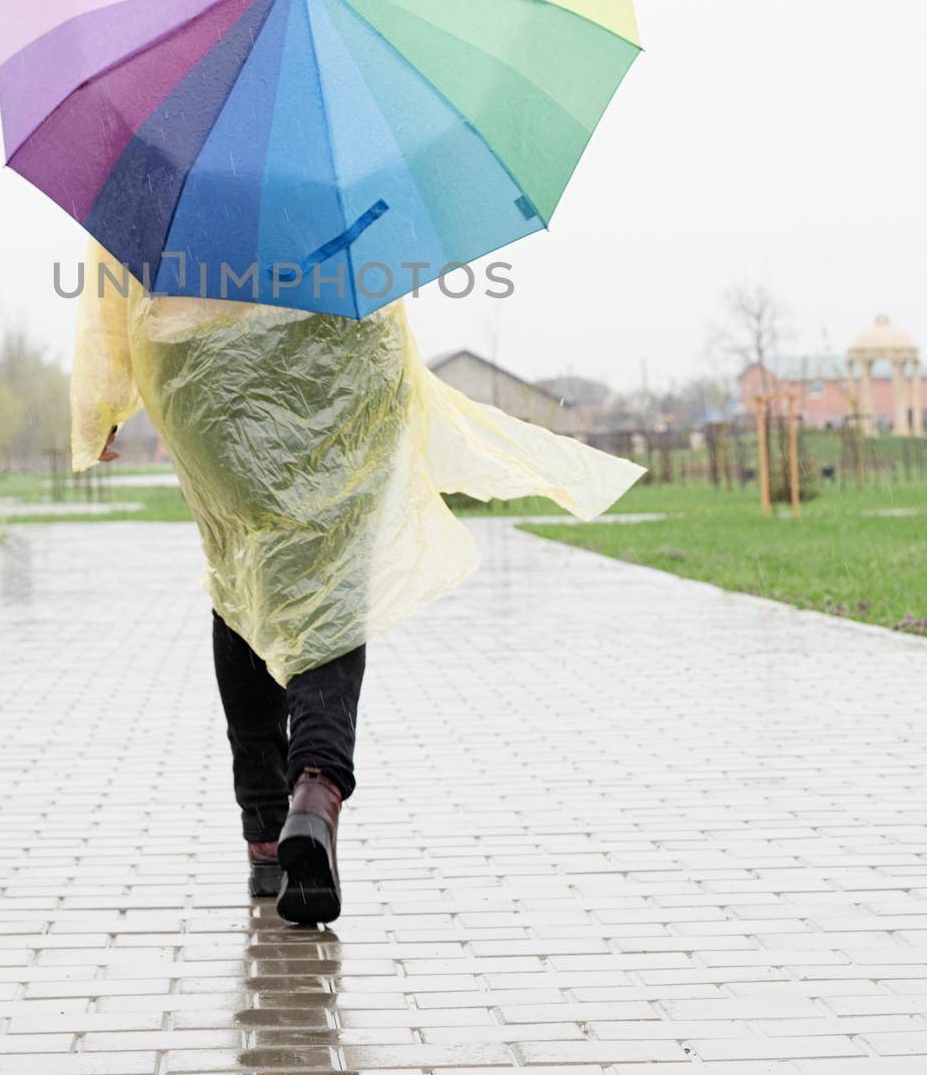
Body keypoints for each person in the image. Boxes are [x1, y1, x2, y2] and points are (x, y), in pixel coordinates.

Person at [72, 238, 642, 925]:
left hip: (201, 364)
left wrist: (100, 406)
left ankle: (262, 833)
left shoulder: (166, 140)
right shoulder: (341, 133)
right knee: (332, 577)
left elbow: (113, 285)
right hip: (339, 353)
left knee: (242, 567)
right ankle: (316, 789)